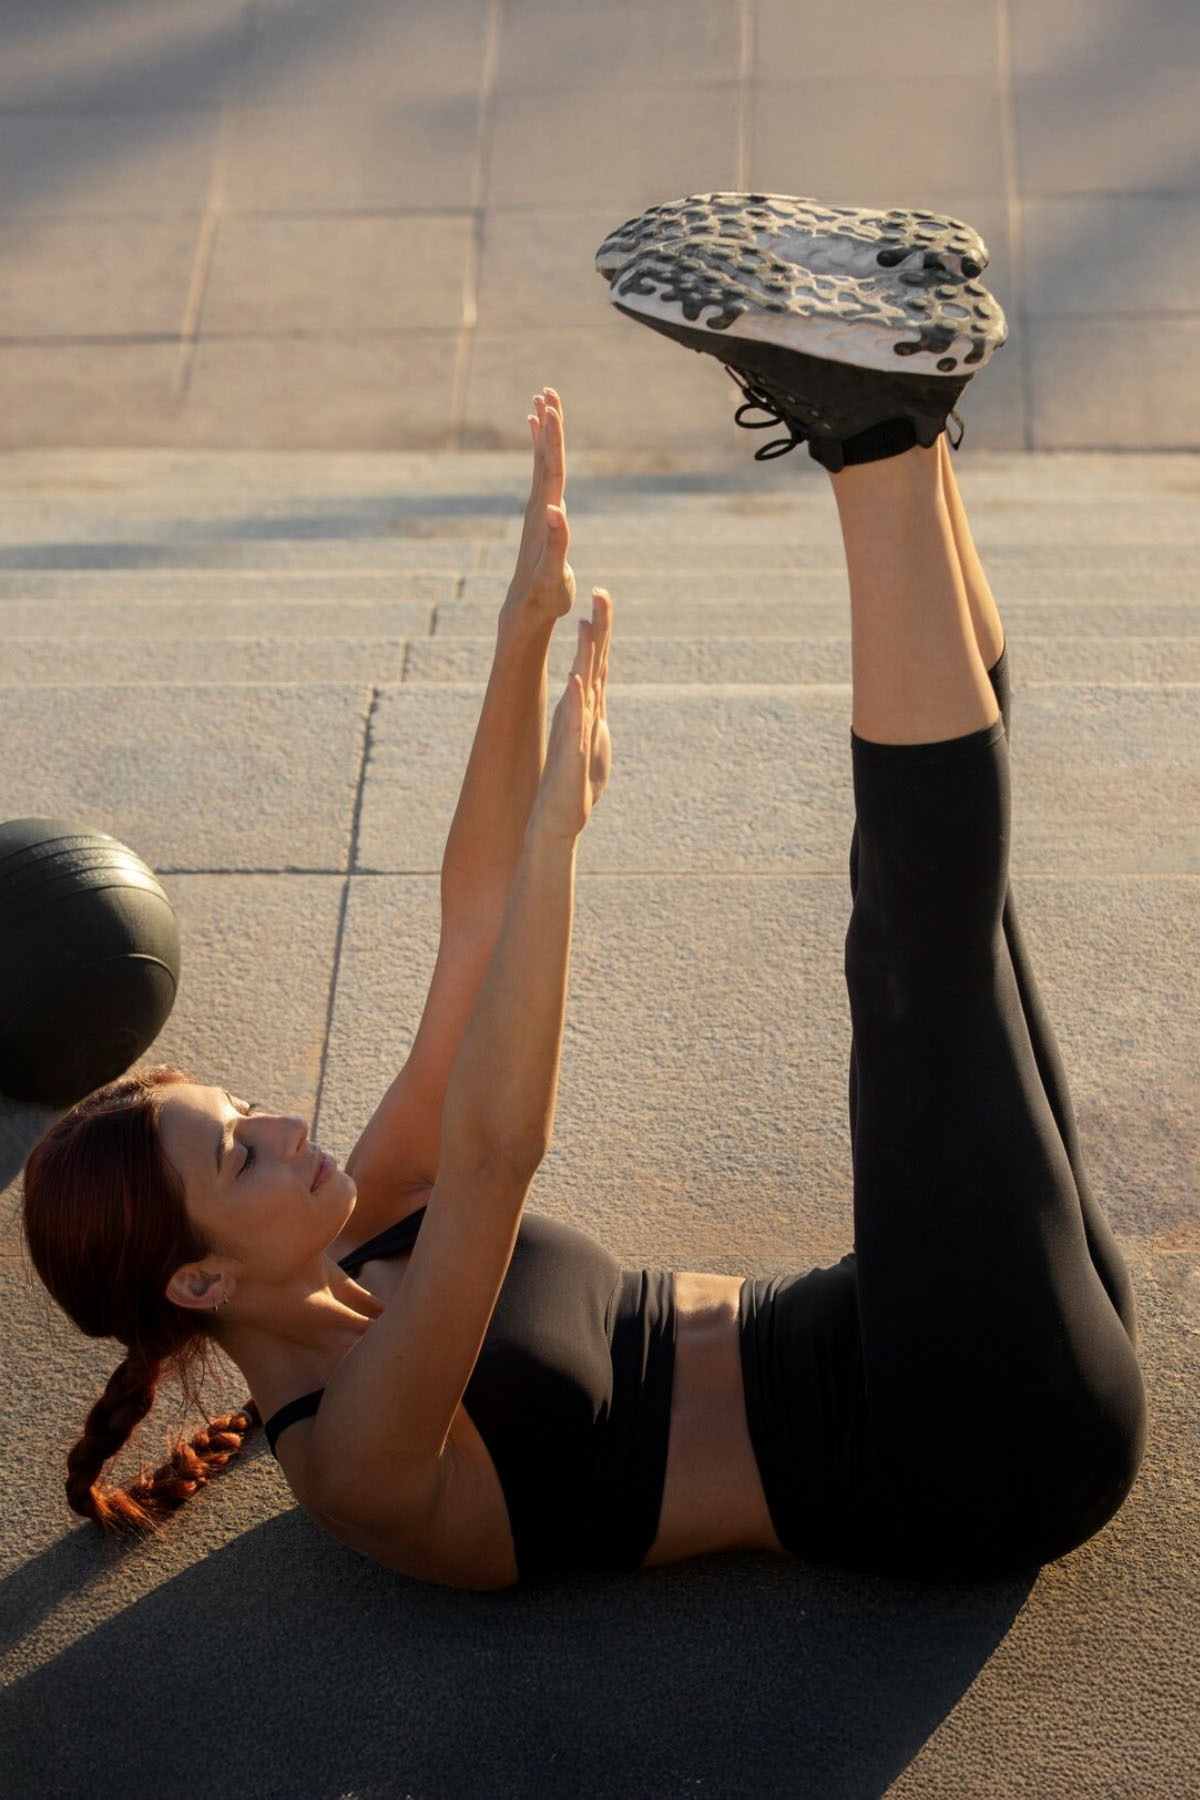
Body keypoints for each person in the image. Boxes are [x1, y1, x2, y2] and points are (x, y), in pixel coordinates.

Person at [22, 194, 1146, 1591]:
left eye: (244, 1115)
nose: (287, 1126)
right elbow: (500, 1154)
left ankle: (909, 409)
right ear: (198, 1282)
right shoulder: (354, 1458)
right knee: (912, 962)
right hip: (974, 1449)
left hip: (956, 1311)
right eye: (240, 1154)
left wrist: (517, 642)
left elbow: (468, 936)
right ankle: (874, 424)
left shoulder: (360, 1211)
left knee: (946, 927)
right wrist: (562, 831)